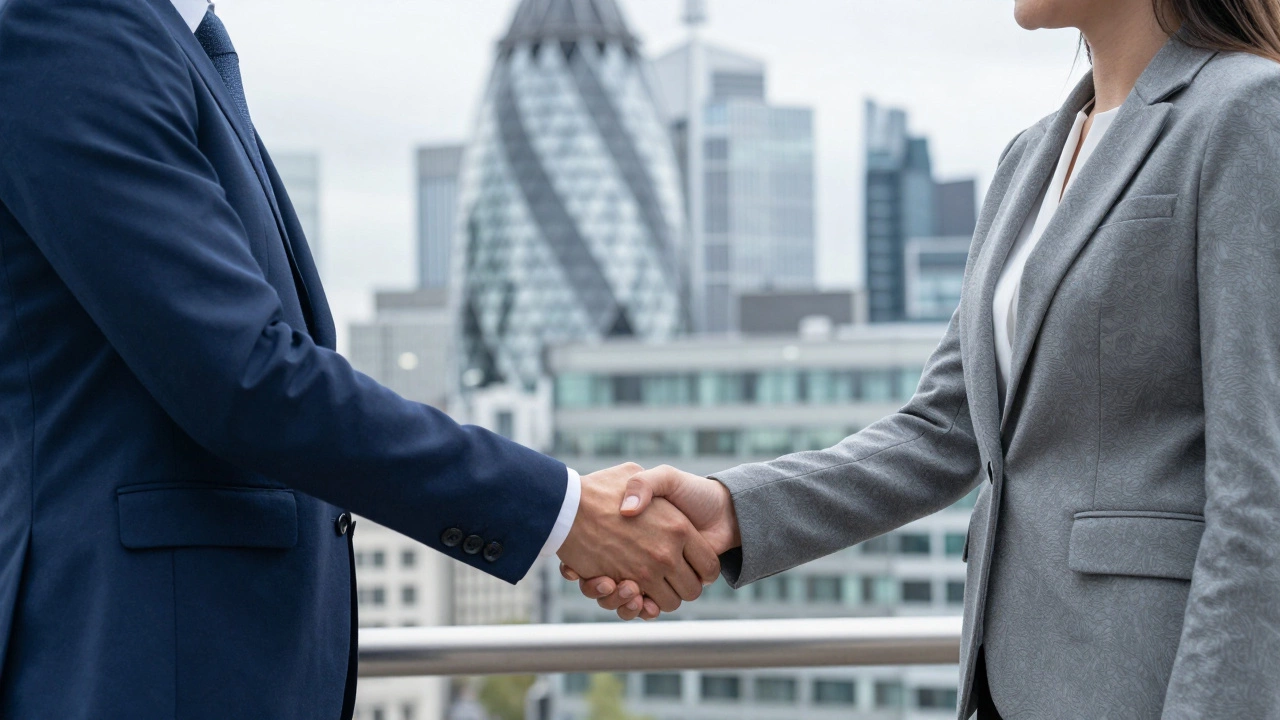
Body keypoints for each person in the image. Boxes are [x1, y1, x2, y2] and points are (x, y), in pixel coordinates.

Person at [0, 1, 719, 717]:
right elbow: (247, 379)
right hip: (138, 666)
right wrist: (563, 511)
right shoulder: (75, 26)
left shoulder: (172, 40)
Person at [565, 0, 1280, 717]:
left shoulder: (1245, 111)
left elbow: (1260, 492)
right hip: (1007, 685)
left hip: (1152, 683)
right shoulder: (1030, 158)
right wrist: (730, 508)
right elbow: (942, 430)